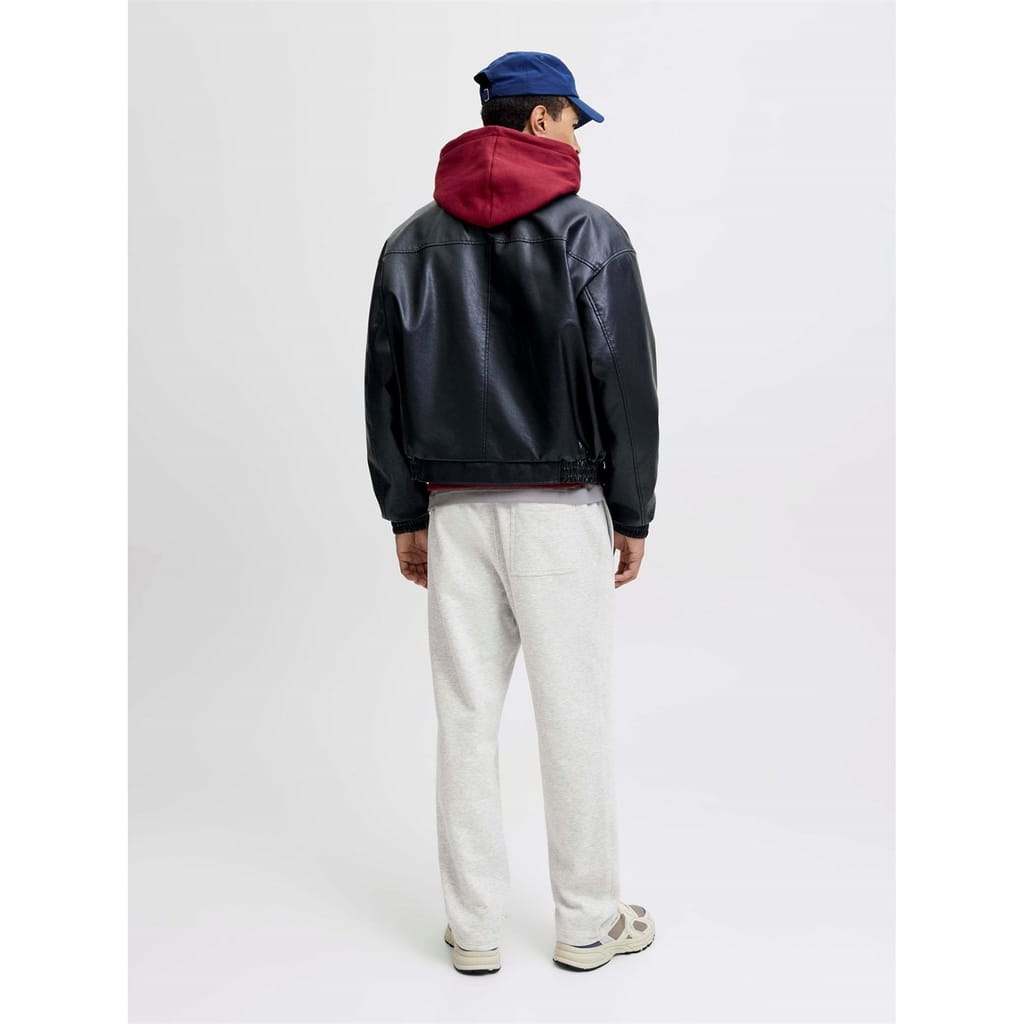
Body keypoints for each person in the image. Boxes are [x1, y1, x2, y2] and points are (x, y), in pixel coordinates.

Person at [363, 51, 659, 974]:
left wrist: (406, 512)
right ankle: (587, 923)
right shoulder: (590, 235)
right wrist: (633, 510)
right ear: (539, 120)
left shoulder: (410, 243)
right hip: (559, 509)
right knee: (574, 716)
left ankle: (475, 930)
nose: (579, 137)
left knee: (464, 719)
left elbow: (383, 390)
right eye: (573, 119)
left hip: (455, 512)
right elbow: (626, 384)